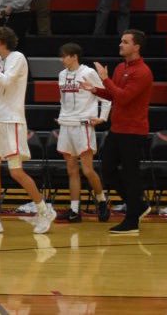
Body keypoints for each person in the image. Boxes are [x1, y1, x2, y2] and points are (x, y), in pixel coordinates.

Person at [0, 26, 54, 234]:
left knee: (16, 171)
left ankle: (44, 211)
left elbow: (5, 82)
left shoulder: (18, 58)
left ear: (3, 41)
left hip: (12, 121)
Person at [79, 29, 153, 234]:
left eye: (125, 42)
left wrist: (104, 79)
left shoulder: (143, 72)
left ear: (136, 47)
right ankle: (139, 205)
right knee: (108, 170)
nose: (120, 44)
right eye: (121, 41)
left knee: (131, 174)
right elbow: (114, 95)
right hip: (117, 128)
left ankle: (132, 221)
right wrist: (96, 90)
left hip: (133, 131)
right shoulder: (121, 68)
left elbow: (124, 97)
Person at [54, 43, 110, 223]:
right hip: (66, 125)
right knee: (71, 170)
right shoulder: (62, 75)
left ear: (74, 56)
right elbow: (63, 100)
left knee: (87, 170)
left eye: (64, 56)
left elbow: (106, 96)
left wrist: (102, 117)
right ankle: (74, 210)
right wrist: (62, 116)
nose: (62, 59)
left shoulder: (88, 72)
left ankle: (102, 201)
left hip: (83, 125)